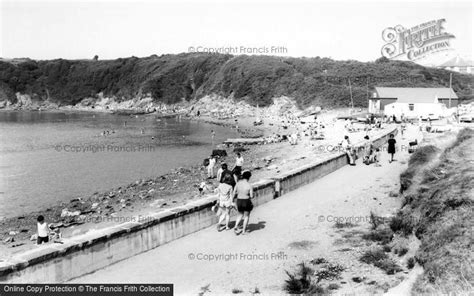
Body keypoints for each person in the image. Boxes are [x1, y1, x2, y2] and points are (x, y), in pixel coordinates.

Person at [233, 171, 254, 235]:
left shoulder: (238, 183)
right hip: (246, 201)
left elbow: (234, 193)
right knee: (246, 216)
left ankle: (236, 226)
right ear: (249, 177)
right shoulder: (249, 185)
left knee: (240, 214)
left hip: (239, 200)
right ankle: (243, 231)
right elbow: (251, 196)